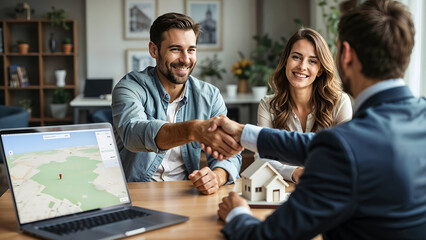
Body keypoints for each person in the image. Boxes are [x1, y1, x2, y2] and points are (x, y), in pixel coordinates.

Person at [211, 0, 426, 238]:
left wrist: (237, 214)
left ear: (345, 55)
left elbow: (264, 237)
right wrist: (243, 132)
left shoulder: (345, 146)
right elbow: (320, 147)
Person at [112, 12, 242, 195]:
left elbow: (230, 154)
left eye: (191, 50)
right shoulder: (130, 87)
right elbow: (132, 133)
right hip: (136, 194)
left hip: (186, 193)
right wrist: (193, 130)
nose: (185, 59)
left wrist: (217, 176)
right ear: (153, 50)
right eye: (175, 49)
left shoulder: (210, 96)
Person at [255, 28, 352, 183]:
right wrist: (294, 172)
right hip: (279, 192)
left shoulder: (340, 103)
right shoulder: (268, 105)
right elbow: (261, 159)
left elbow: (346, 155)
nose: (302, 66)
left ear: (320, 70)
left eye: (312, 61)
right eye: (296, 57)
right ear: (286, 60)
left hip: (326, 189)